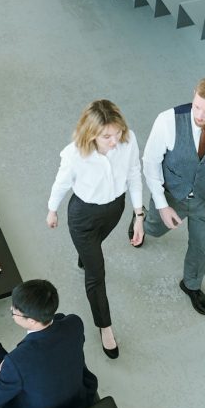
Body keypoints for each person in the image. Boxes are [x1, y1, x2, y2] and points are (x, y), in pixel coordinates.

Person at [46, 100, 143, 359]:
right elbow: (61, 183)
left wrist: (139, 214)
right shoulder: (74, 155)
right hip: (83, 217)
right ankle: (105, 326)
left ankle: (85, 257)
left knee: (92, 252)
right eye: (107, 136)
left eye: (117, 132)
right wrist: (52, 209)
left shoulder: (128, 140)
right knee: (96, 273)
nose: (115, 140)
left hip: (115, 209)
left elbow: (134, 172)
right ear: (91, 134)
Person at [139, 76, 205, 315]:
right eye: (196, 106)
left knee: (200, 245)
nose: (199, 115)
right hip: (171, 194)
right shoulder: (168, 121)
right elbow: (150, 164)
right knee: (155, 229)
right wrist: (163, 206)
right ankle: (141, 221)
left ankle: (191, 284)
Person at [0, 280, 99, 408]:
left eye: (14, 312)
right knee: (61, 317)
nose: (11, 309)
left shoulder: (15, 361)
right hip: (79, 398)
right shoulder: (75, 323)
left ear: (32, 321)